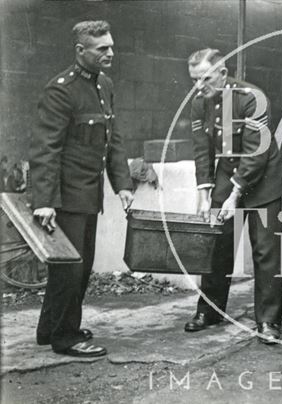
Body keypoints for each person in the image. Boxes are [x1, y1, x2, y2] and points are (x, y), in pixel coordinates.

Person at [30, 20, 134, 357]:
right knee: (70, 269)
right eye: (102, 48)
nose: (110, 53)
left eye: (111, 46)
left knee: (79, 265)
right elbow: (46, 149)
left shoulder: (105, 85)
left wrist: (123, 185)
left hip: (90, 194)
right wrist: (44, 201)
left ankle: (49, 329)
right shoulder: (61, 89)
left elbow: (112, 140)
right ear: (81, 51)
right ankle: (65, 336)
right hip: (65, 197)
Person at [185, 48, 282, 344]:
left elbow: (255, 153)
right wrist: (205, 192)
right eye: (194, 80)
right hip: (226, 177)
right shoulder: (199, 103)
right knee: (217, 247)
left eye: (205, 79)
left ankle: (268, 322)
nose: (199, 86)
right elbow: (202, 150)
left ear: (222, 73)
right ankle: (210, 311)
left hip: (264, 181)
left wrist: (235, 195)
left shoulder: (251, 98)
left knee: (266, 253)